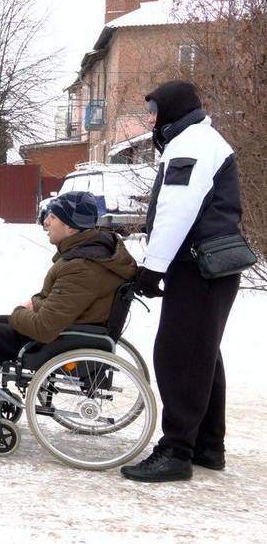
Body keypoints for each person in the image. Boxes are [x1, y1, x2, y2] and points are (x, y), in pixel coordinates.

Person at [0, 191, 137, 433]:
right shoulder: (89, 255)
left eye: (53, 217)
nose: (46, 222)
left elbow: (44, 328)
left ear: (70, 226)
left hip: (64, 340)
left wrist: (20, 310)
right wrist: (36, 304)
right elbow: (64, 302)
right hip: (77, 328)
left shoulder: (82, 267)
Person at [121, 81, 242, 483]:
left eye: (154, 112)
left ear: (173, 110)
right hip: (208, 267)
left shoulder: (191, 143)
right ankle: (209, 445)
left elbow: (177, 208)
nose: (151, 120)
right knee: (202, 352)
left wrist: (154, 267)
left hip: (198, 266)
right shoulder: (199, 139)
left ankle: (176, 450)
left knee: (180, 354)